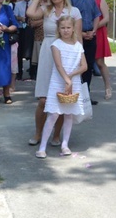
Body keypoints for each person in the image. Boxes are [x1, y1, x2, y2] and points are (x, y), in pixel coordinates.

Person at [26, 0, 82, 146]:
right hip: (48, 53)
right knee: (43, 99)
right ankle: (38, 133)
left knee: (61, 98)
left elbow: (78, 37)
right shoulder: (46, 10)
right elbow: (30, 13)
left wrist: (79, 61)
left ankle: (56, 135)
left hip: (67, 55)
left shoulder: (74, 12)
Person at [36, 15, 87, 159]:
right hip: (58, 82)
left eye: (68, 28)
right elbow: (58, 65)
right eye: (63, 28)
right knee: (53, 114)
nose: (65, 30)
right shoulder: (56, 44)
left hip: (72, 82)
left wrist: (71, 77)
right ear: (59, 29)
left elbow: (84, 66)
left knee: (69, 115)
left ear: (73, 29)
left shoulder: (78, 46)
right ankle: (42, 146)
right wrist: (66, 79)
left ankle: (65, 144)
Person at [70, 0, 100, 100]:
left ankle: (86, 94)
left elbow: (97, 15)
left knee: (88, 66)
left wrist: (93, 31)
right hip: (77, 36)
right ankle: (75, 93)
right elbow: (69, 20)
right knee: (76, 66)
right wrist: (80, 34)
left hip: (90, 35)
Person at [91, 0, 113, 100]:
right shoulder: (83, 0)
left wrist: (94, 27)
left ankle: (107, 87)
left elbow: (106, 18)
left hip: (98, 32)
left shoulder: (100, 0)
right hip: (85, 32)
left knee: (100, 62)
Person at [28, 0, 48, 81]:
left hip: (50, 38)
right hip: (39, 38)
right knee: (41, 64)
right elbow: (31, 23)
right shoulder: (36, 6)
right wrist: (46, 19)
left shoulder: (53, 5)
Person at [14, 0, 35, 80]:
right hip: (21, 29)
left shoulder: (35, 4)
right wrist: (20, 18)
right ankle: (19, 73)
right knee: (20, 51)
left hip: (31, 29)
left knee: (32, 50)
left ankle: (32, 72)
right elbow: (15, 16)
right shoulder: (18, 5)